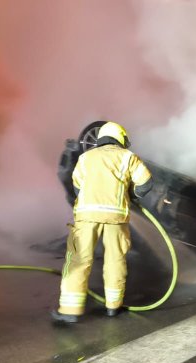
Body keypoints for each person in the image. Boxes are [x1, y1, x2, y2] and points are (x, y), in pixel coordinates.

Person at [51, 122, 153, 324]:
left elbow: (77, 187)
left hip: (87, 216)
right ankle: (113, 306)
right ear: (120, 138)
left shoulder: (86, 157)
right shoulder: (128, 157)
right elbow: (146, 183)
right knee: (115, 260)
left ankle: (70, 311)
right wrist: (131, 195)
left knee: (79, 260)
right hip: (116, 217)